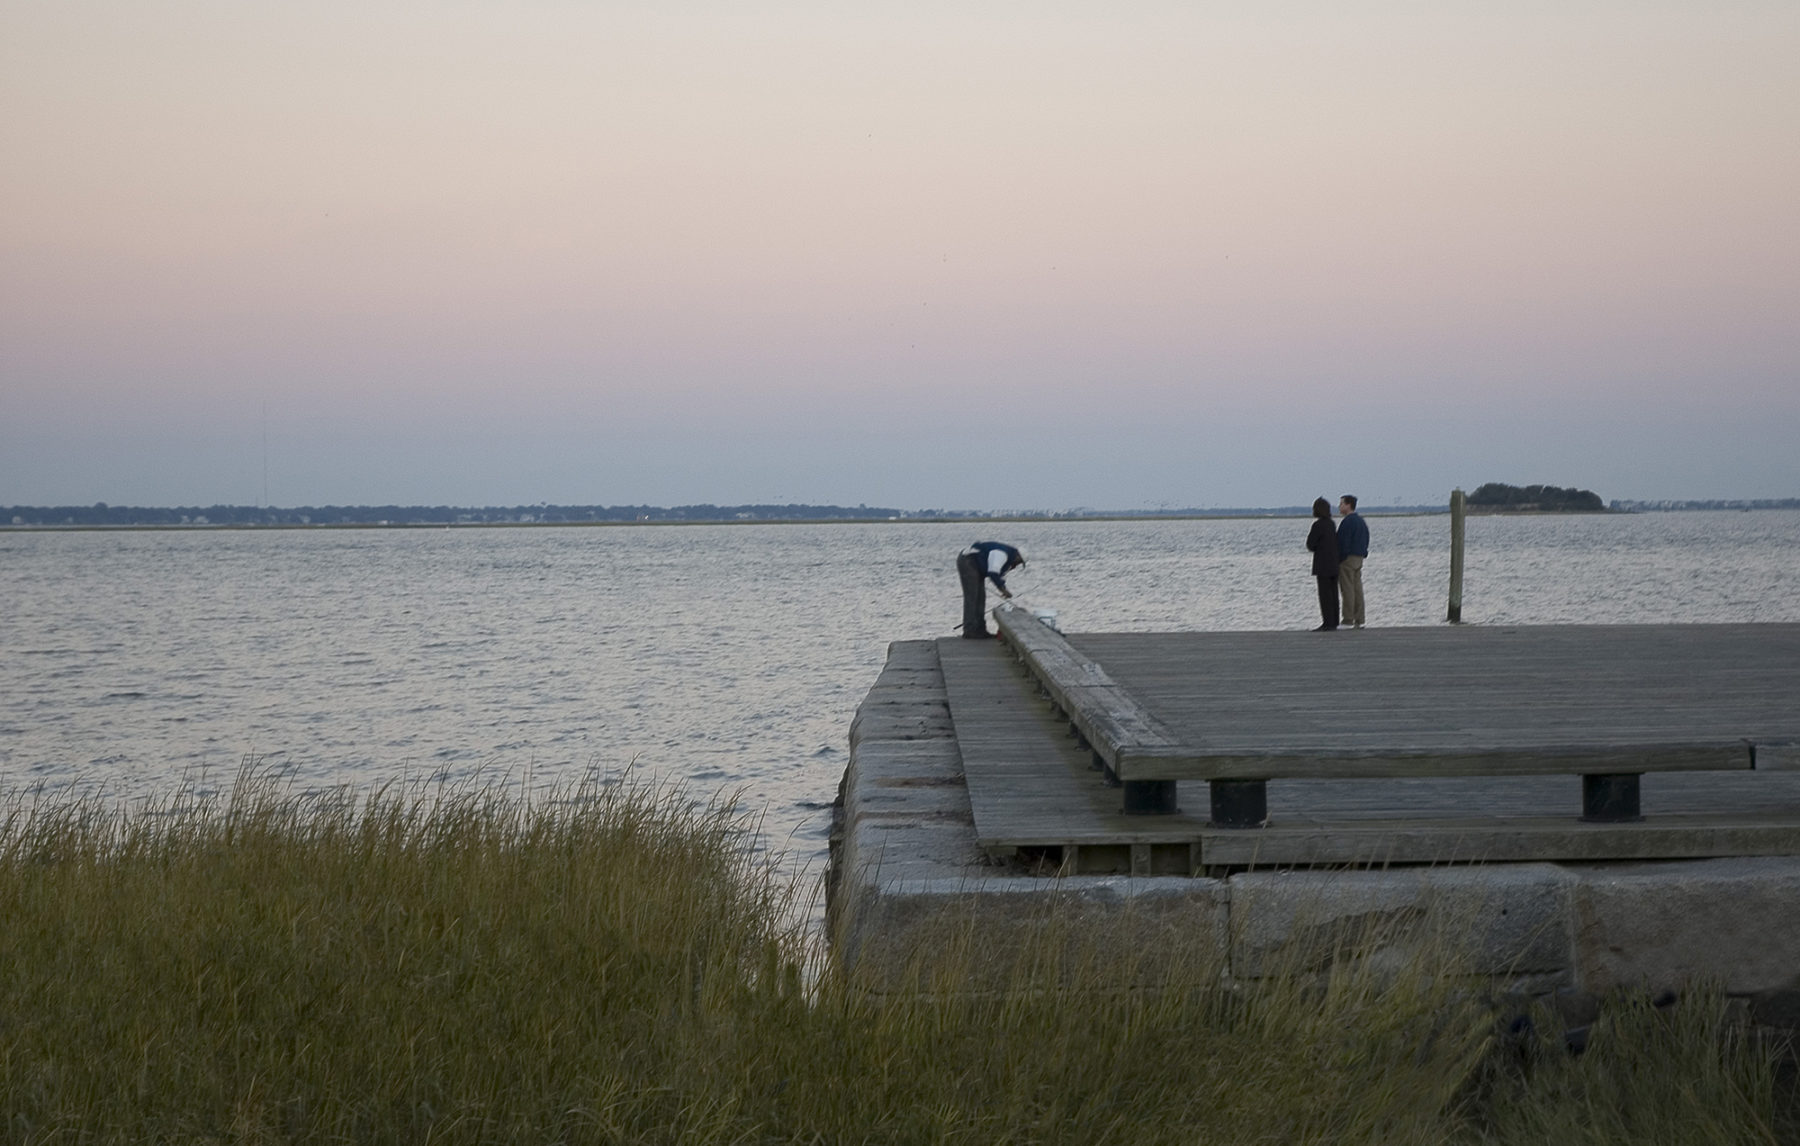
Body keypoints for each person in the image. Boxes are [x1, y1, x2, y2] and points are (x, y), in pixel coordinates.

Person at [956, 541, 1025, 638]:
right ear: (1017, 556)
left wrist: (1001, 586)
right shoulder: (1002, 554)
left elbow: (996, 573)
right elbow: (993, 572)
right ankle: (970, 630)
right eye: (1019, 562)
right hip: (968, 561)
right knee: (972, 598)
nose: (1016, 565)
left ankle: (980, 630)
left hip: (976, 564)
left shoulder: (1008, 556)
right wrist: (1003, 589)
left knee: (981, 598)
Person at [1305, 498, 1339, 631]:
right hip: (1334, 564)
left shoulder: (1318, 525)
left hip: (1323, 565)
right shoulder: (1331, 524)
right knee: (1334, 594)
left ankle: (1327, 622)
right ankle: (1334, 621)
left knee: (1324, 595)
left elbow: (1310, 544)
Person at [1336, 494, 1369, 629]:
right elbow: (1366, 538)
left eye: (1342, 504)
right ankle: (1359, 619)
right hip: (1359, 557)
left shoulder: (1347, 522)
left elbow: (1343, 542)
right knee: (1357, 589)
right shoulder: (1361, 521)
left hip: (1348, 559)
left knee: (1347, 589)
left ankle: (1348, 619)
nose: (1339, 506)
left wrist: (1340, 557)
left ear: (1348, 505)